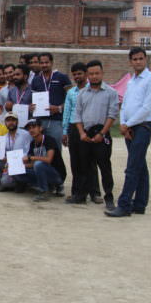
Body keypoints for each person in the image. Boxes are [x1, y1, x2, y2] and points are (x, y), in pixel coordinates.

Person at [106, 47, 151, 217]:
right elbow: (125, 104)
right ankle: (139, 204)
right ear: (130, 61)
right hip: (129, 127)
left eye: (140, 58)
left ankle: (124, 205)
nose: (138, 62)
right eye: (135, 59)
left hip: (143, 126)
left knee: (132, 168)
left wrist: (128, 123)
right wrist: (124, 124)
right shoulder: (131, 81)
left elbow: (147, 107)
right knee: (140, 166)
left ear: (145, 59)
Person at [66, 60, 119, 210]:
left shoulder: (111, 93)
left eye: (97, 73)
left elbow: (112, 114)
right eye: (91, 74)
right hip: (85, 135)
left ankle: (108, 197)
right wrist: (81, 133)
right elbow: (77, 115)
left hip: (101, 134)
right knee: (83, 166)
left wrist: (102, 133)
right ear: (87, 75)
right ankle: (81, 195)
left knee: (104, 166)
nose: (94, 76)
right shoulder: (82, 94)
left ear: (102, 73)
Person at [62, 62, 100, 203]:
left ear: (86, 74)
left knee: (90, 161)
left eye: (80, 73)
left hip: (89, 128)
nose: (77, 76)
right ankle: (77, 192)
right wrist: (65, 132)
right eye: (75, 74)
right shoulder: (71, 93)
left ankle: (94, 193)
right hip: (73, 128)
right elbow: (67, 112)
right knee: (76, 161)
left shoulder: (93, 90)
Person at [14, 119, 67, 202]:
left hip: (56, 174)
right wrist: (17, 166)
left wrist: (31, 158)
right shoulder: (33, 143)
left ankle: (46, 190)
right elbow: (31, 164)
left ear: (41, 128)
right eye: (29, 128)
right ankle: (47, 186)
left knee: (38, 164)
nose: (31, 130)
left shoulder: (49, 140)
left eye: (34, 127)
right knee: (17, 172)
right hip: (41, 170)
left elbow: (48, 160)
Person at [30, 52, 71, 147]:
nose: (44, 65)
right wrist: (31, 107)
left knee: (55, 149)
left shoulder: (62, 77)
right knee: (40, 149)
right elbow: (33, 100)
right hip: (40, 122)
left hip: (56, 120)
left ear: (52, 63)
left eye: (46, 62)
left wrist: (59, 108)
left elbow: (71, 100)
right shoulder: (36, 80)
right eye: (42, 63)